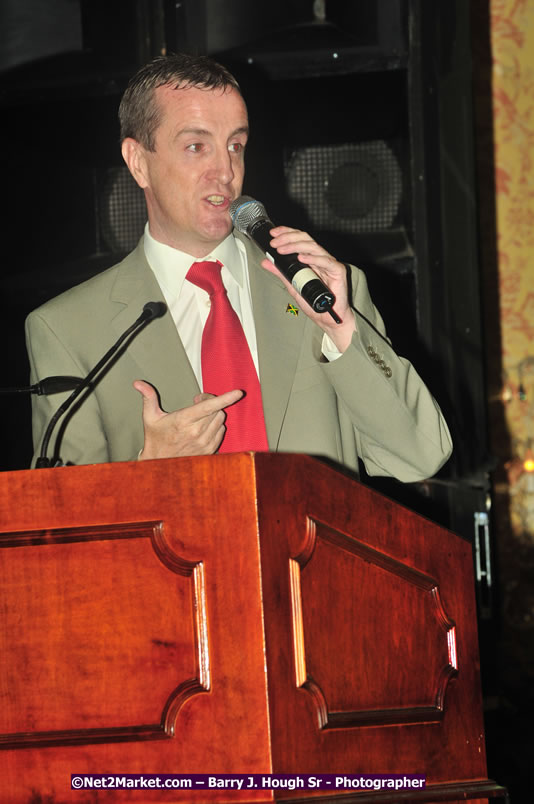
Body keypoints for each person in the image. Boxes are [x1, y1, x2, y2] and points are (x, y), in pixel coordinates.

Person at [25, 53, 452, 481]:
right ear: (139, 162)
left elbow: (420, 455)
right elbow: (64, 531)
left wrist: (341, 333)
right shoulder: (68, 330)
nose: (225, 170)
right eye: (197, 147)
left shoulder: (316, 289)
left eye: (235, 146)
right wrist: (148, 473)